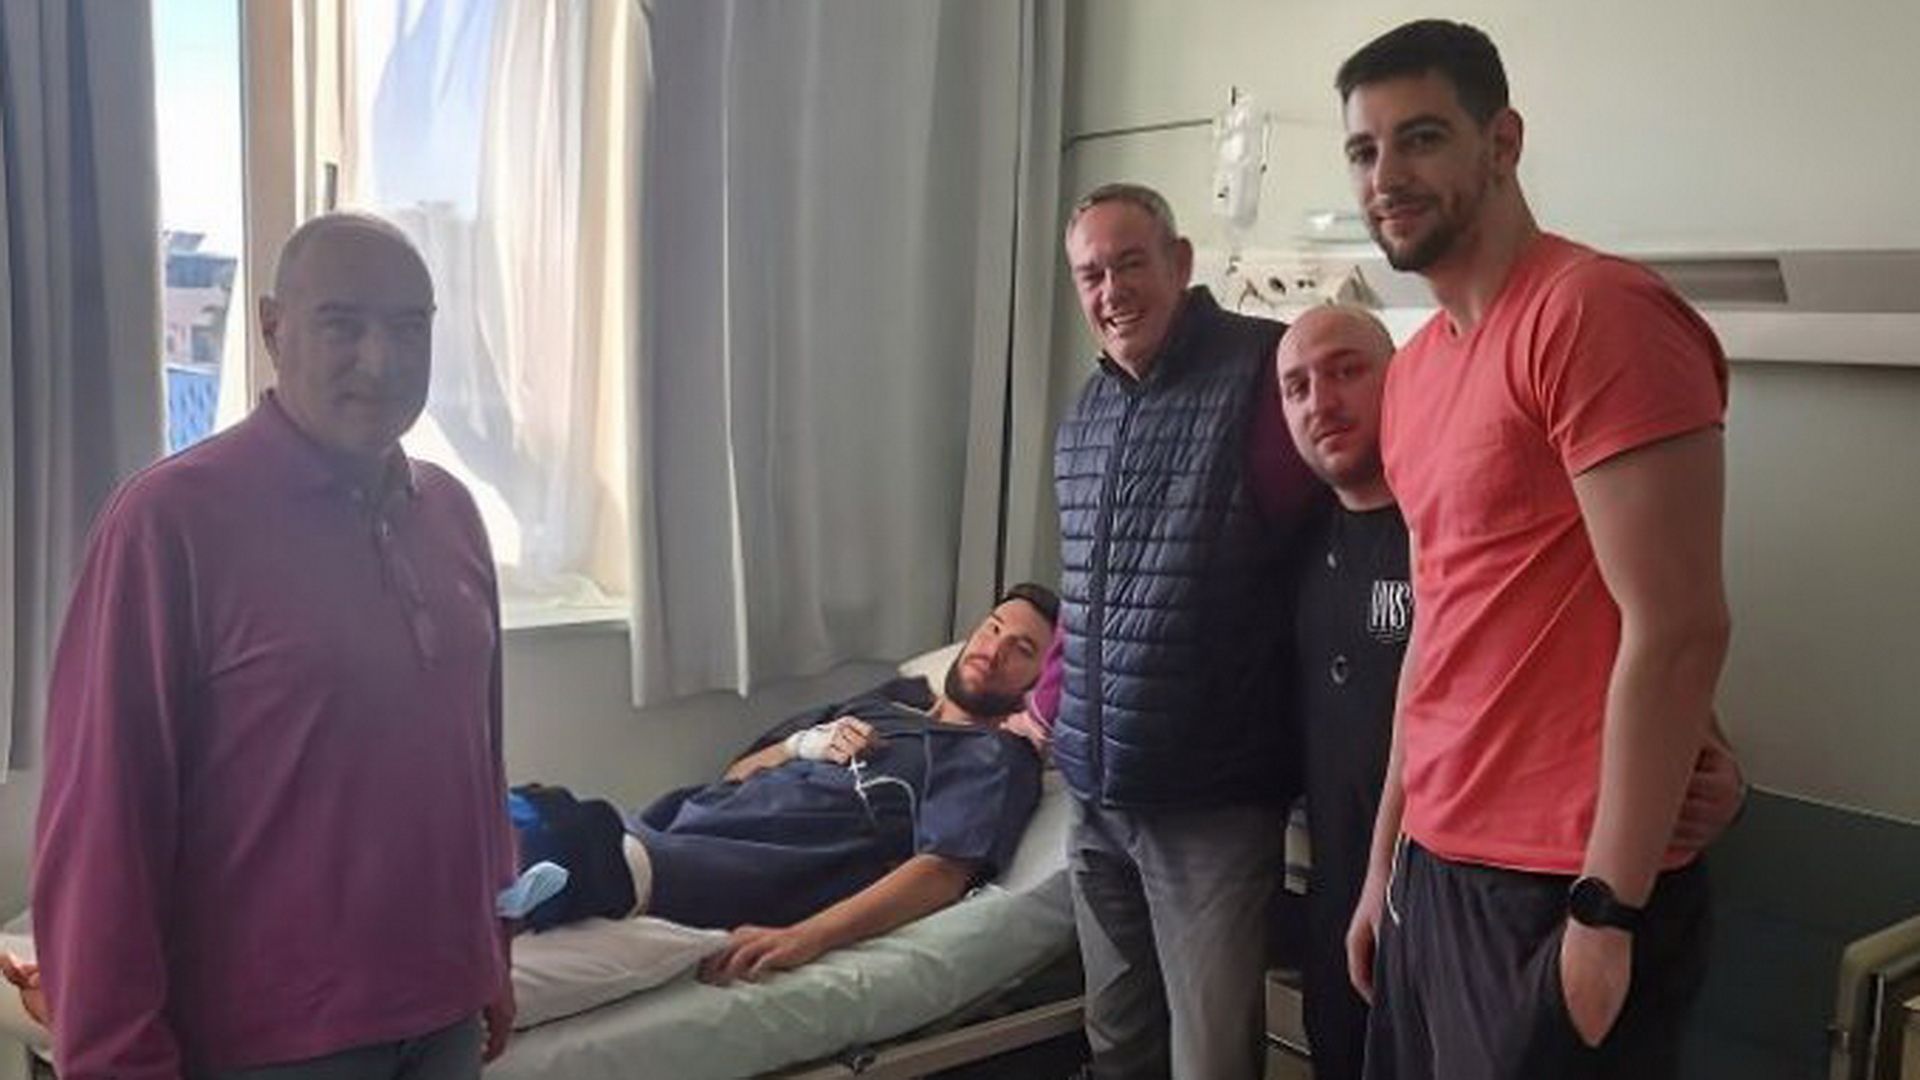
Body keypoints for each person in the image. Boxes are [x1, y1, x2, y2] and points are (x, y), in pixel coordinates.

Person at [1335, 21, 1733, 1080]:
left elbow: (1681, 625)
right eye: (1365, 150)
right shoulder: (1416, 374)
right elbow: (1442, 632)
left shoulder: (1593, 314)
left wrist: (1607, 912)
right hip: (1437, 869)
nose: (1386, 176)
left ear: (1502, 142)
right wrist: (1384, 868)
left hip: (1564, 890)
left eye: (1421, 138)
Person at [31, 213, 516, 1079]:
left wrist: (491, 947)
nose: (381, 359)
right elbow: (104, 826)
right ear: (270, 328)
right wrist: (112, 1055)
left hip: (443, 1013)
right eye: (342, 323)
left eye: (409, 327)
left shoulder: (451, 514)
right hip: (266, 1041)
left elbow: (477, 765)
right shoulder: (169, 525)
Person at [1274, 305, 1746, 1080]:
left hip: (1510, 904)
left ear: (1403, 383)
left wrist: (1723, 774)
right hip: (1360, 888)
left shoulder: (1494, 528)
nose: (1321, 401)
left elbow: (1639, 648)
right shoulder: (1290, 541)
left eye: (1348, 371)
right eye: (1297, 386)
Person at [1052, 182, 1321, 1080]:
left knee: (1209, 1059)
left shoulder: (1264, 373)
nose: (1112, 291)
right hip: (1096, 792)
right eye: (1091, 274)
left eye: (1131, 263)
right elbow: (1085, 598)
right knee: (1117, 1042)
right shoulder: (1087, 413)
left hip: (1209, 797)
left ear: (1179, 262)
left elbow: (1354, 542)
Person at [506, 584, 1060, 986]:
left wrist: (805, 938)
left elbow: (941, 872)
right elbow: (737, 774)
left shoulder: (995, 756)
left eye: (1023, 650)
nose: (994, 650)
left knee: (547, 842)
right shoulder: (890, 702)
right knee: (523, 818)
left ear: (1038, 683)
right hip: (667, 823)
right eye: (993, 628)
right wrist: (803, 744)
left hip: (714, 870)